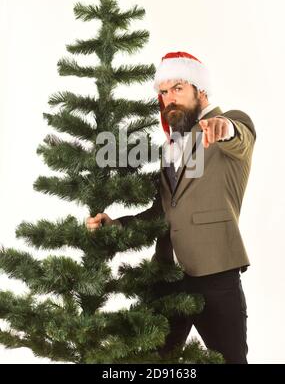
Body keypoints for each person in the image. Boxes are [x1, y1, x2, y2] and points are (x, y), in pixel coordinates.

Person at [86, 51, 256, 364]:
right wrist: (116, 226)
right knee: (154, 362)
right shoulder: (171, 148)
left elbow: (239, 136)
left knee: (230, 360)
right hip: (167, 276)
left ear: (200, 91)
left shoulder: (230, 124)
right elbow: (162, 212)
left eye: (177, 88)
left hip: (215, 275)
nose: (169, 99)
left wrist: (224, 128)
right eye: (163, 93)